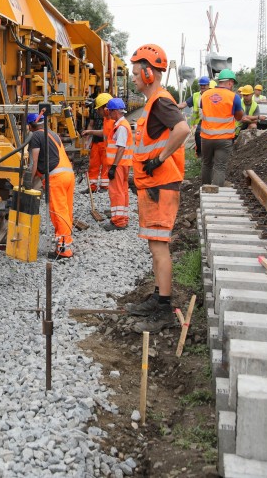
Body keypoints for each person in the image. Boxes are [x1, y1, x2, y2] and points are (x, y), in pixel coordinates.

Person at [124, 44, 190, 333]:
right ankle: (158, 296)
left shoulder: (161, 101)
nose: (134, 78)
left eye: (137, 73)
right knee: (155, 246)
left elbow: (183, 130)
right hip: (154, 185)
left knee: (159, 247)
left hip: (160, 185)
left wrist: (159, 158)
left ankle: (164, 307)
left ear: (149, 73)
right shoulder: (155, 103)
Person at [27, 113, 76, 259]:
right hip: (68, 175)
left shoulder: (35, 136)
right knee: (66, 211)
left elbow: (34, 162)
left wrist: (28, 181)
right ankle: (65, 242)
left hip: (56, 178)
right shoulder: (53, 134)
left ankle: (64, 250)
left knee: (58, 212)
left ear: (31, 125)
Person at [199, 68, 244, 187]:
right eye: (233, 83)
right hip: (224, 139)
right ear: (229, 82)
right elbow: (239, 117)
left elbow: (203, 111)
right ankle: (215, 195)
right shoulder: (234, 97)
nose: (233, 86)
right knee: (220, 167)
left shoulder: (205, 95)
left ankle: (205, 191)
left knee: (206, 164)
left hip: (206, 137)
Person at [102, 97, 133, 231]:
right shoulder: (121, 124)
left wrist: (113, 167)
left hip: (118, 165)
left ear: (115, 111)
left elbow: (121, 147)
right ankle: (122, 218)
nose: (108, 114)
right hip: (123, 164)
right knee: (123, 191)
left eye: (110, 111)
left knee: (116, 192)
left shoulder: (121, 127)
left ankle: (118, 221)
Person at [80, 92, 113, 194]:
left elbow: (105, 133)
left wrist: (90, 132)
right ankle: (92, 187)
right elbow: (91, 124)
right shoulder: (95, 111)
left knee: (105, 165)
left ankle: (104, 186)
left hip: (105, 142)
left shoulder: (111, 116)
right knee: (93, 164)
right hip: (96, 142)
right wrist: (87, 139)